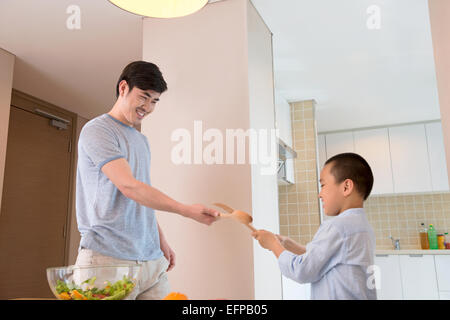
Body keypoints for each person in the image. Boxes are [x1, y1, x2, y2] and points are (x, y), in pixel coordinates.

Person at [74, 61, 220, 300]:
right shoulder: (98, 130)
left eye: (154, 101)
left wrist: (159, 239)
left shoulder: (141, 141)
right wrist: (185, 210)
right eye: (144, 97)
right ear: (123, 88)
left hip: (150, 261)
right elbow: (128, 186)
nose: (148, 107)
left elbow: (141, 194)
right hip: (107, 259)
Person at [252, 152, 377, 300]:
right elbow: (325, 258)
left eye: (323, 185)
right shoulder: (361, 226)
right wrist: (288, 244)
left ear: (346, 187)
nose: (320, 194)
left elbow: (302, 270)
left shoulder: (338, 227)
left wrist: (273, 244)